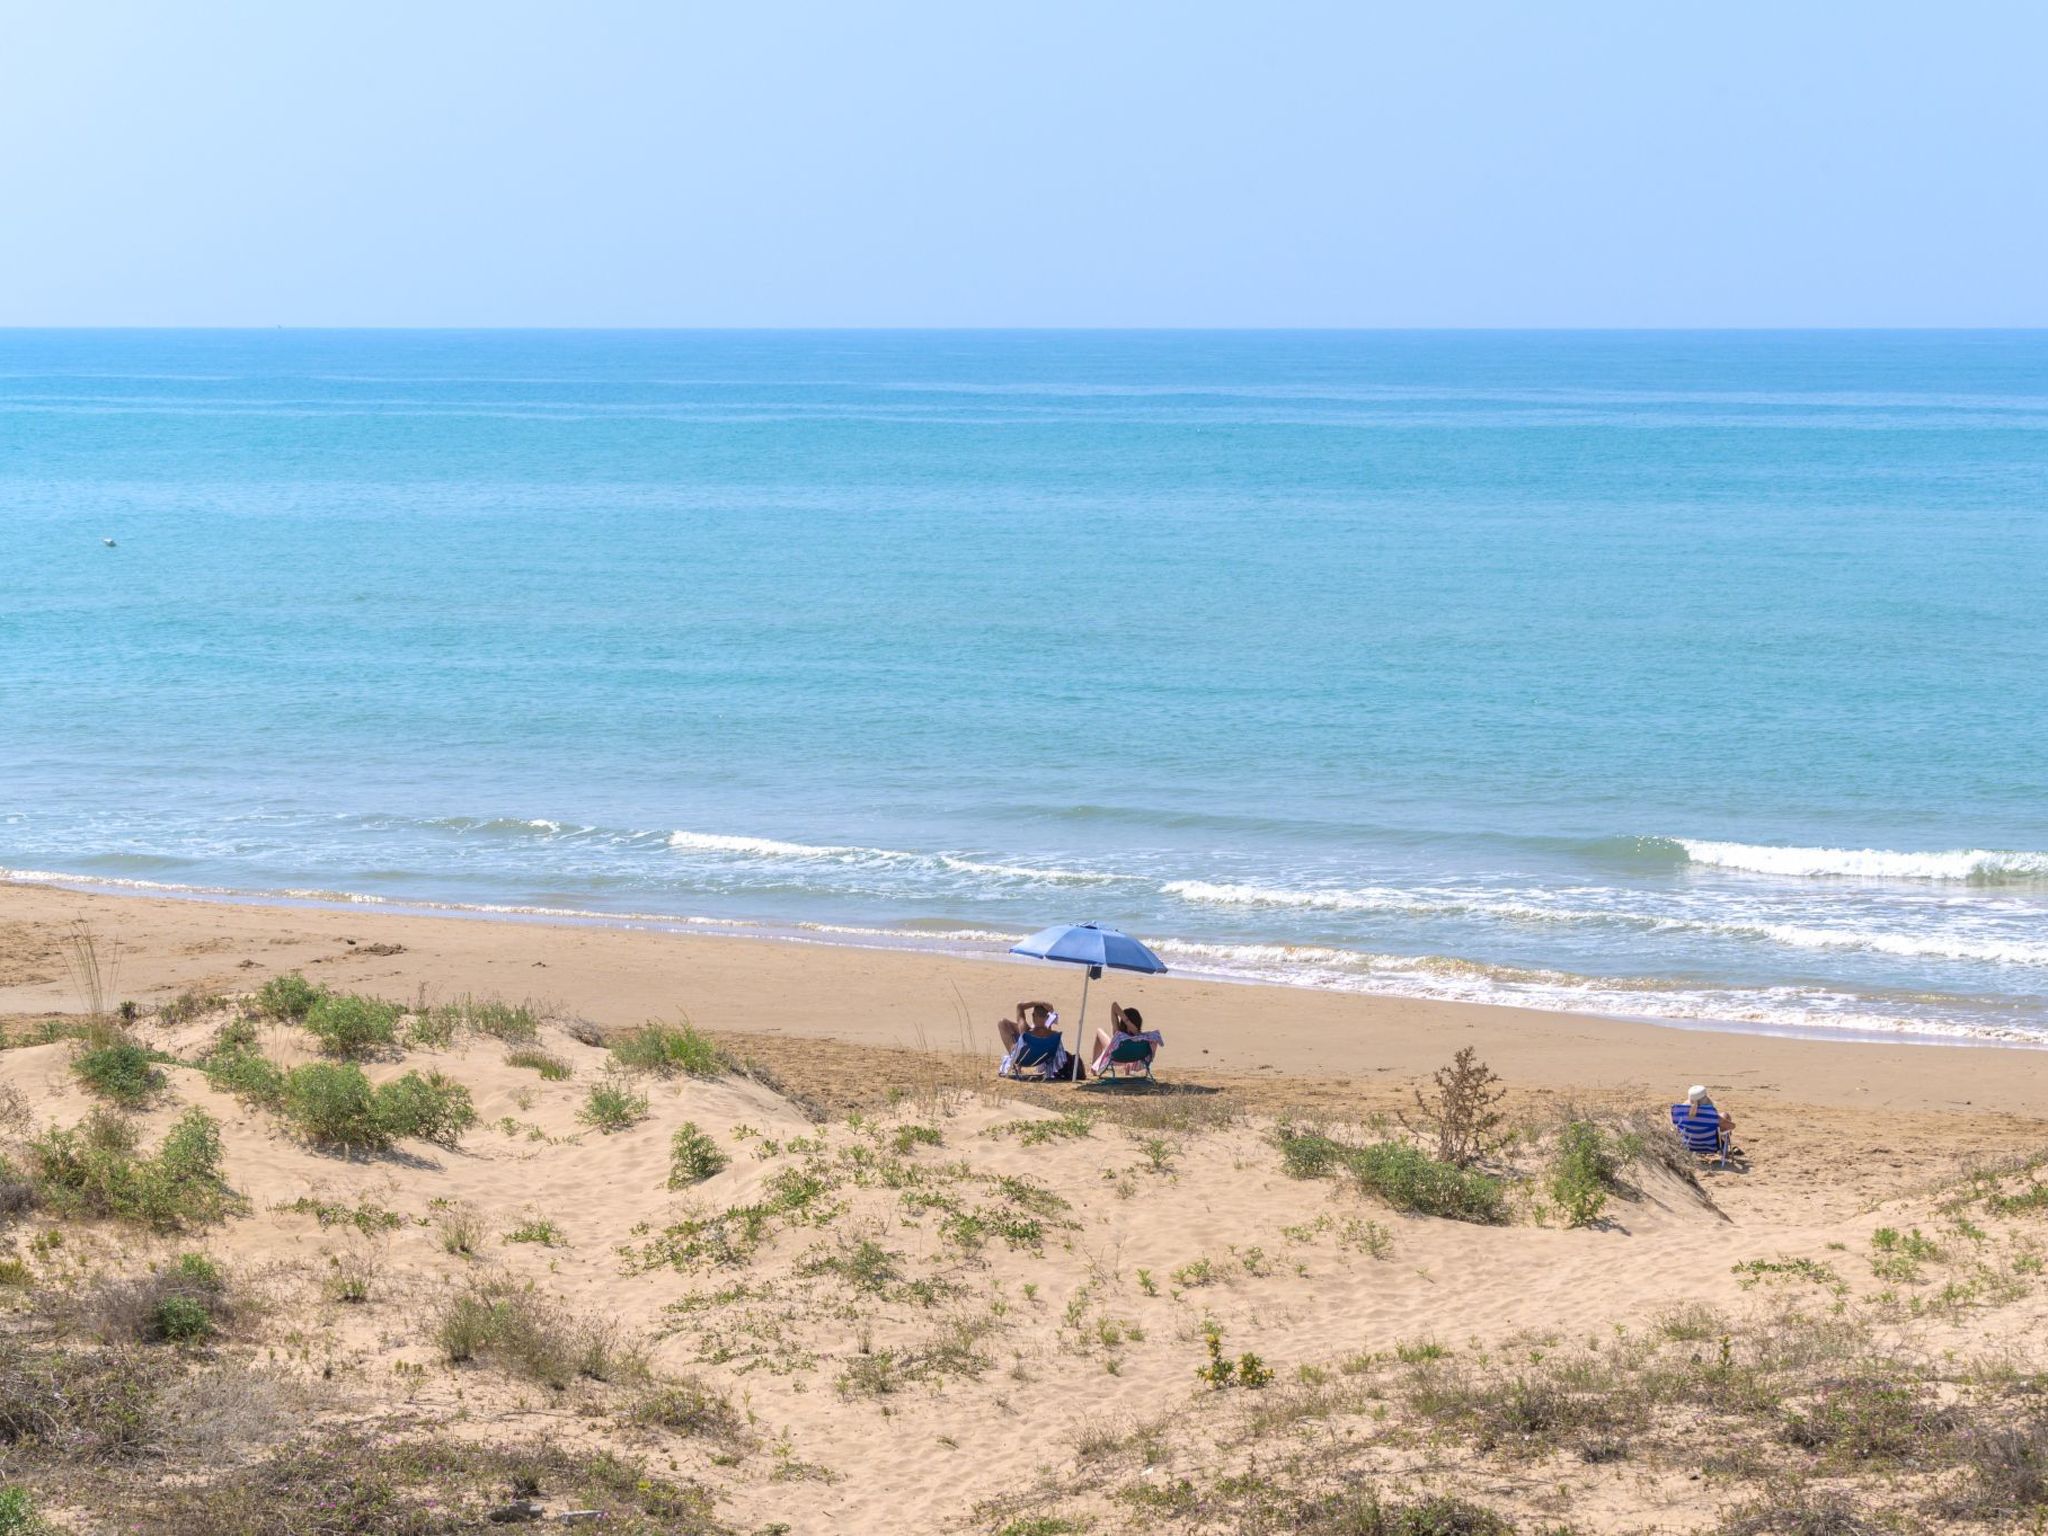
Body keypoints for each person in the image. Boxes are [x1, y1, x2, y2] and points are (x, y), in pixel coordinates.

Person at [996, 1000, 1070, 1078]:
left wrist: (1040, 1002)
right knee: (1026, 1035)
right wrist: (1051, 1010)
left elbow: (1019, 1006)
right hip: (1041, 1058)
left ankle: (1015, 1064)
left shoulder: (1025, 1031)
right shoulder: (1054, 1035)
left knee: (1002, 1023)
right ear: (1048, 1017)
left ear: (1033, 1016)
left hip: (1021, 1059)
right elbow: (1050, 1018)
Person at [1091, 1001, 1163, 1077]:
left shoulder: (1119, 1036)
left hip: (1117, 1056)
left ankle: (1093, 1070)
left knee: (1099, 1031)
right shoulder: (1145, 1038)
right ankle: (1128, 1068)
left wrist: (1126, 1020)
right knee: (1116, 1045)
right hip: (1135, 1057)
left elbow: (1114, 1005)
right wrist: (1133, 1027)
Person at [1671, 1084, 1735, 1157]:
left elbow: (1676, 1129)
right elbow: (1731, 1126)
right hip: (1711, 1146)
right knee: (1724, 1115)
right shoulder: (1711, 1113)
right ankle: (1724, 1151)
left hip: (1688, 1146)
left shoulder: (1680, 1113)